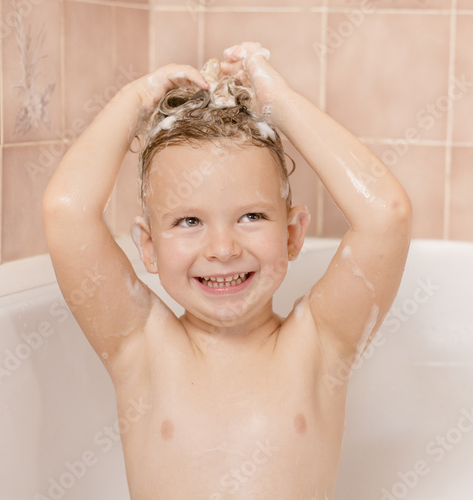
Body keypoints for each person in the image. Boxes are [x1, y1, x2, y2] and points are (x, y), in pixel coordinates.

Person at [43, 42, 412, 500]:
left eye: (251, 217)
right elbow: (66, 212)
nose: (222, 248)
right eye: (190, 221)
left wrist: (280, 104)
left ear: (294, 235)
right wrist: (136, 99)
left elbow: (387, 216)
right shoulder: (141, 345)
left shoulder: (319, 344)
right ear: (150, 247)